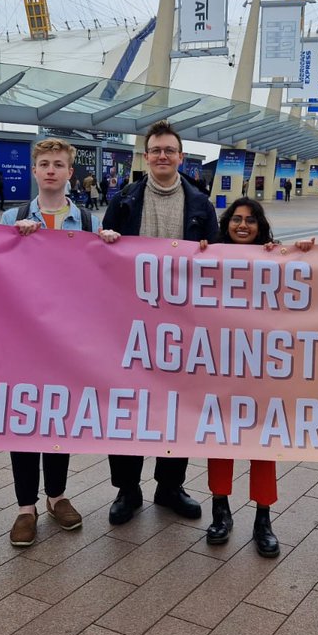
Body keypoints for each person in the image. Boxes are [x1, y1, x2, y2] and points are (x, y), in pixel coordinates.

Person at [101, 120, 218, 525]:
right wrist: (107, 241)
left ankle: (170, 485)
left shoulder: (201, 203)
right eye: (156, 150)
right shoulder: (126, 199)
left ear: (181, 157)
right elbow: (100, 257)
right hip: (131, 321)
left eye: (170, 150)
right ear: (146, 156)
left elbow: (221, 263)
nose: (163, 156)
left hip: (182, 323)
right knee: (128, 403)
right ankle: (127, 489)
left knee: (177, 404)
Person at [1, 138, 113, 546]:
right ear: (34, 171)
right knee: (25, 419)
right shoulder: (12, 217)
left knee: (59, 417)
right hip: (23, 341)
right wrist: (10, 238)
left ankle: (57, 495)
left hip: (66, 341)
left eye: (58, 164)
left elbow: (100, 277)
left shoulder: (84, 221)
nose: (51, 170)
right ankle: (25, 507)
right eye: (44, 163)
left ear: (70, 173)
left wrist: (111, 246)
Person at [198, 197, 287, 558]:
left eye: (251, 220)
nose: (243, 226)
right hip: (221, 366)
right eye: (236, 219)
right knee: (220, 441)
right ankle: (220, 510)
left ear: (261, 226)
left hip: (262, 367)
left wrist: (294, 252)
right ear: (226, 223)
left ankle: (263, 518)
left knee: (262, 445)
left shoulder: (275, 257)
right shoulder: (211, 256)